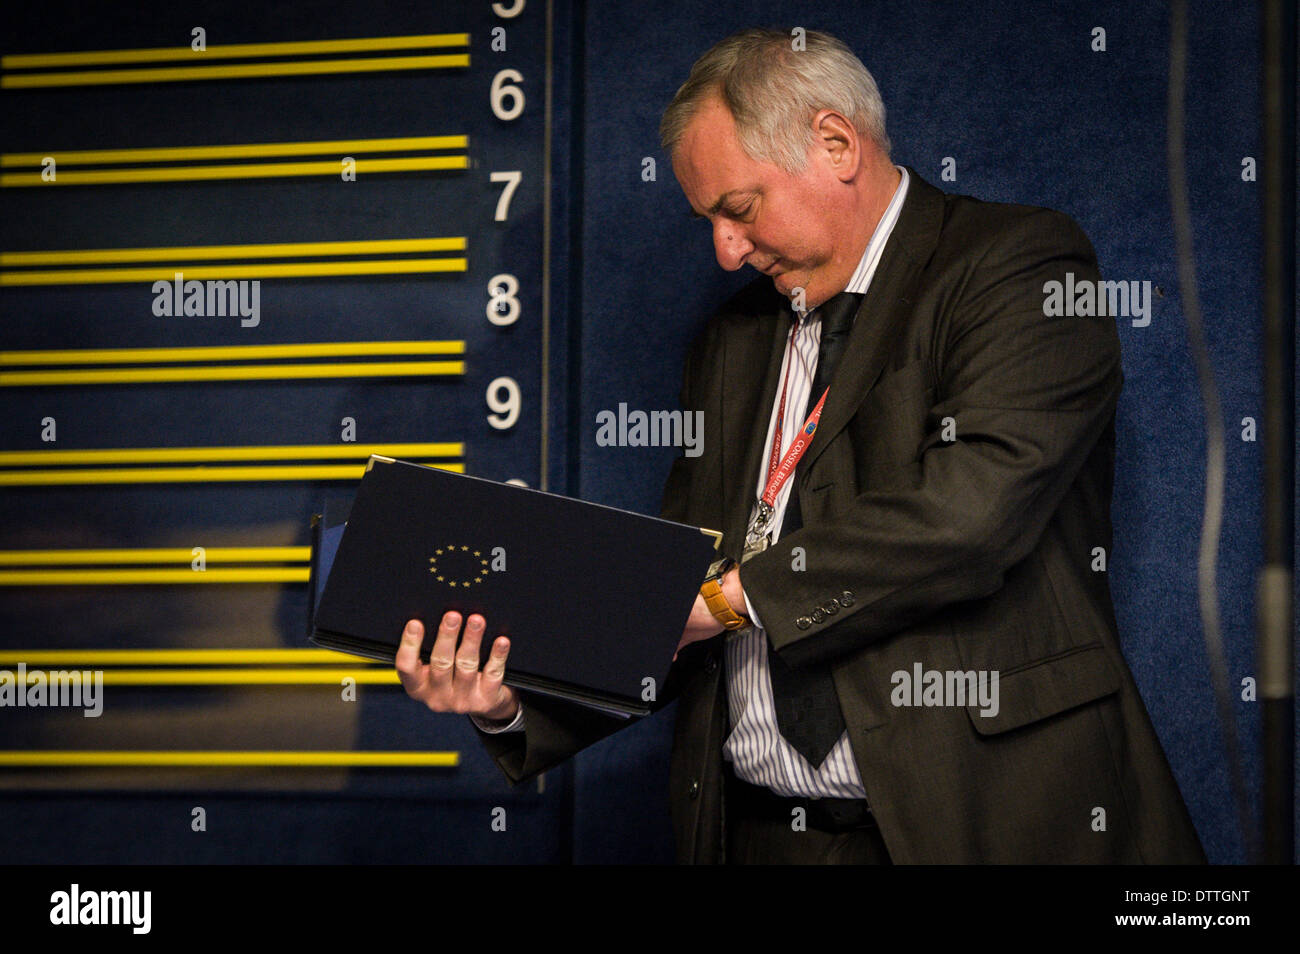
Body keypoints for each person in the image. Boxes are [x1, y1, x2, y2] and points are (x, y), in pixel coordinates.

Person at [395, 28, 1206, 864]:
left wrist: (722, 601)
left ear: (835, 143)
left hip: (985, 828)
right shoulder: (730, 342)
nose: (725, 250)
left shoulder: (1018, 266)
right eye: (708, 220)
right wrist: (511, 701)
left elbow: (968, 516)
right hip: (759, 837)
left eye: (739, 210)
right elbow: (681, 597)